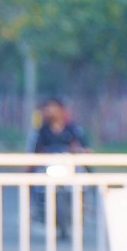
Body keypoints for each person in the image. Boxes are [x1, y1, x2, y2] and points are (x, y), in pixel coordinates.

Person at [30, 96, 88, 239]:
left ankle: (84, 205)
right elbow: (35, 151)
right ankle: (38, 207)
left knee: (83, 178)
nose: (51, 111)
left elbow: (85, 148)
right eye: (48, 109)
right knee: (35, 181)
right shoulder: (42, 131)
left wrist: (78, 151)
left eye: (54, 108)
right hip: (49, 167)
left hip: (70, 166)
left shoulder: (73, 130)